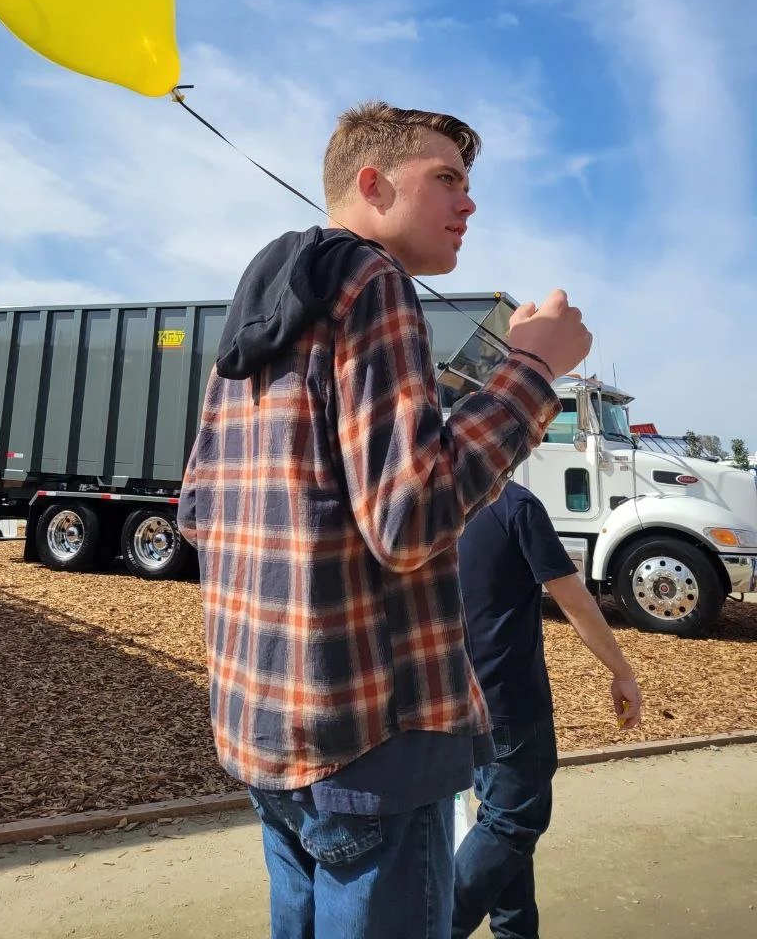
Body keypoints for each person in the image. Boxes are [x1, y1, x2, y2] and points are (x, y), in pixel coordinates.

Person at [179, 101, 592, 939]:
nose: (468, 203)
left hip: (264, 731)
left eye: (469, 184)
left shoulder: (258, 318)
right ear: (372, 184)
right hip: (372, 745)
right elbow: (408, 516)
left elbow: (197, 509)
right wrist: (533, 369)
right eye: (447, 178)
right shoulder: (375, 283)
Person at [453, 482, 643, 939]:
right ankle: (435, 924)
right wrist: (622, 671)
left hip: (451, 699)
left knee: (501, 826)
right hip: (509, 700)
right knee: (514, 822)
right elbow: (573, 600)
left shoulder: (434, 499)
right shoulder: (514, 504)